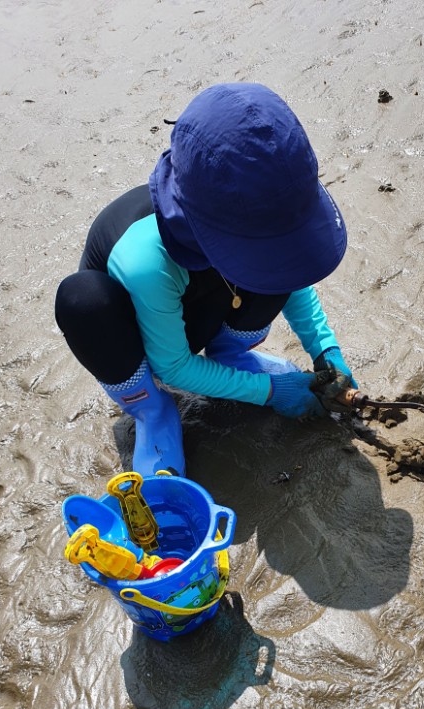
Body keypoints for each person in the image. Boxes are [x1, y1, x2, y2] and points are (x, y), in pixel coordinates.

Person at [55, 82, 356, 477]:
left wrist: (325, 348)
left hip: (208, 302)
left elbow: (291, 270)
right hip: (137, 336)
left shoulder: (258, 217)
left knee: (277, 266)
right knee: (81, 300)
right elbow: (174, 367)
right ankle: (152, 411)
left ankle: (232, 357)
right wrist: (270, 391)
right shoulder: (147, 256)